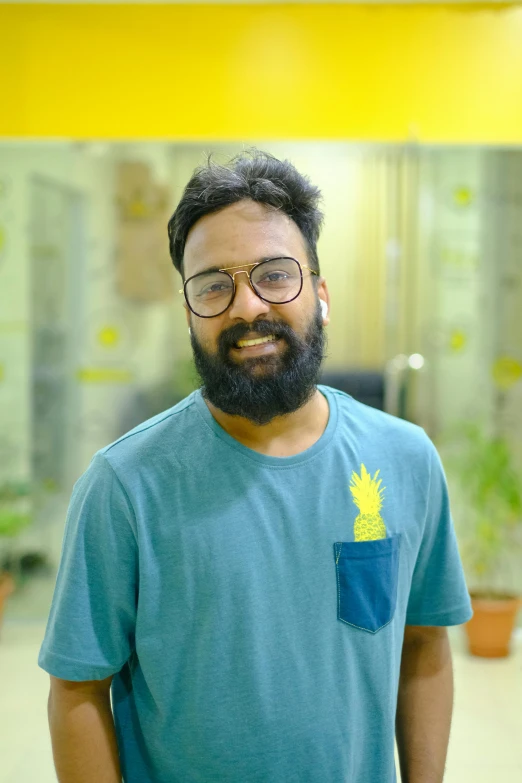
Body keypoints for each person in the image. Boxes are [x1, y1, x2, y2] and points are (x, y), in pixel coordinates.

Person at [39, 150, 473, 783]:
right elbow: (77, 690)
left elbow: (425, 646)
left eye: (274, 275)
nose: (246, 307)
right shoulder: (125, 486)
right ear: (190, 311)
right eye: (214, 284)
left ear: (320, 295)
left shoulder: (404, 459)